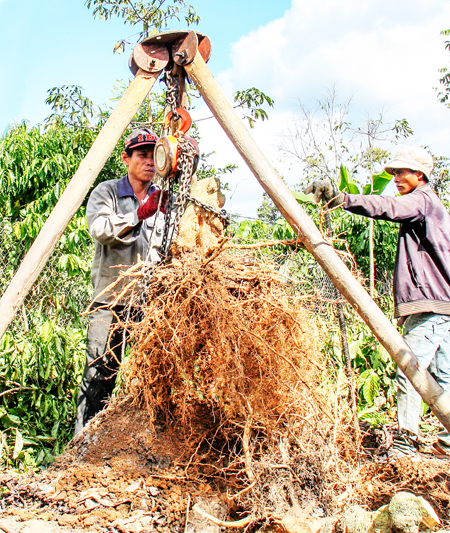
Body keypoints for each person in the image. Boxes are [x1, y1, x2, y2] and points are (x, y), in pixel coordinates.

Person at [305, 146, 450, 458]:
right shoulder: (433, 205)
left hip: (432, 305)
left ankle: (405, 444)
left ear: (419, 175)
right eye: (393, 172)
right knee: (443, 377)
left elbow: (388, 207)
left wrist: (342, 199)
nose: (395, 178)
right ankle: (446, 443)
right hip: (441, 304)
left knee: (409, 370)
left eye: (401, 172)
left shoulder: (423, 199)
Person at [74, 128, 168, 435]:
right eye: (141, 155)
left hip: (149, 303)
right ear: (126, 158)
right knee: (99, 375)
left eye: (154, 155)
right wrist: (138, 214)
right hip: (110, 302)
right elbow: (100, 228)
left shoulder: (163, 199)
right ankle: (83, 446)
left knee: (153, 377)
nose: (149, 162)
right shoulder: (108, 192)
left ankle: (138, 446)